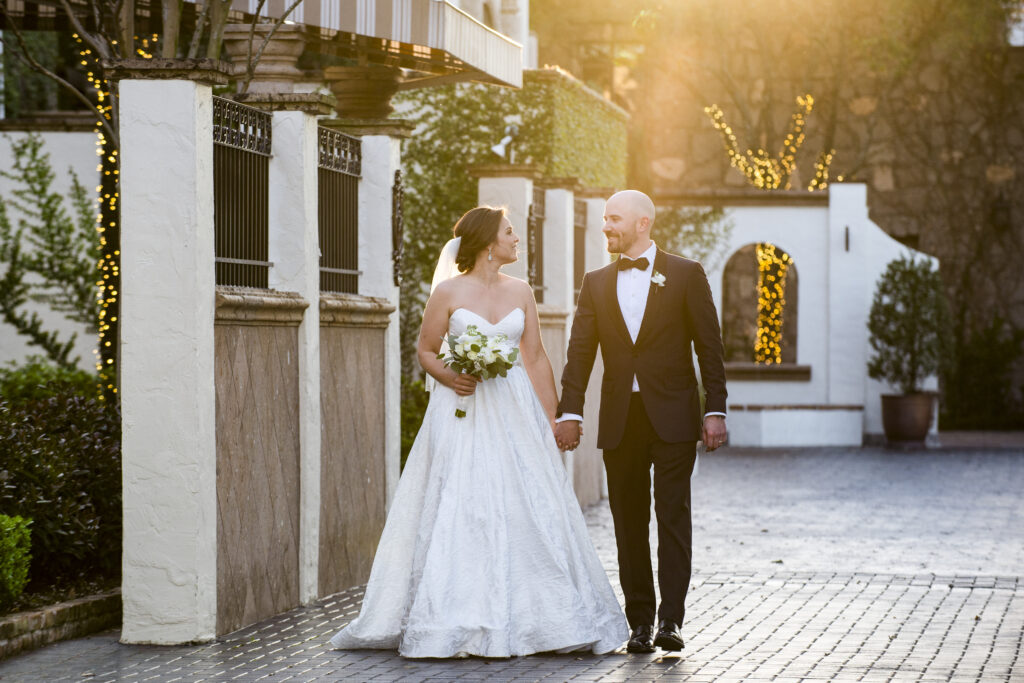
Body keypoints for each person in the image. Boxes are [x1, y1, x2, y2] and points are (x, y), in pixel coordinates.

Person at [330, 206, 628, 658]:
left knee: (524, 500)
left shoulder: (522, 291)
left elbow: (535, 358)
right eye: (510, 233)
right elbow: (426, 351)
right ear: (489, 242)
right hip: (461, 409)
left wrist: (555, 418)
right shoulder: (448, 291)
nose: (517, 240)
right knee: (462, 502)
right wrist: (452, 376)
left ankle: (541, 618)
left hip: (513, 410)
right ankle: (455, 617)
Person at [554, 190, 728, 654]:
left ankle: (672, 619)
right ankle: (639, 622)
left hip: (674, 417)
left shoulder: (687, 274)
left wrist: (715, 408)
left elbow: (709, 347)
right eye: (606, 218)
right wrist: (569, 411)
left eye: (614, 219)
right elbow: (580, 353)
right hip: (620, 419)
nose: (607, 226)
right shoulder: (595, 282)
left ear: (643, 223)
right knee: (628, 523)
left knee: (672, 517)